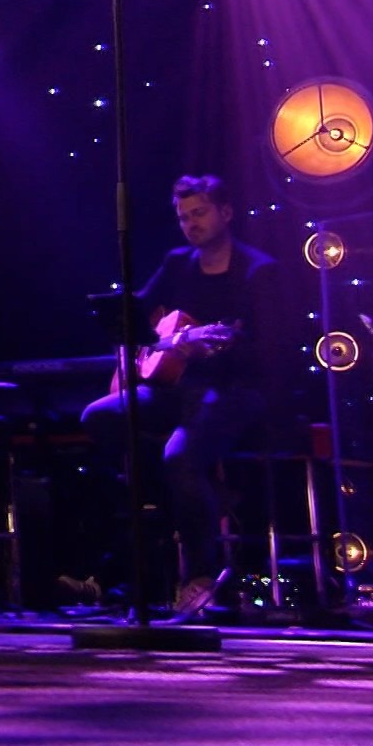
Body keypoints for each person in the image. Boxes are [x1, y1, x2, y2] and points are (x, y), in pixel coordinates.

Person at [80, 174, 282, 620]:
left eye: (200, 213)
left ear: (225, 213)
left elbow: (268, 351)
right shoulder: (177, 264)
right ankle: (190, 492)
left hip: (234, 390)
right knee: (98, 417)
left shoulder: (258, 271)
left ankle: (201, 577)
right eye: (184, 217)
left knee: (180, 456)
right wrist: (152, 347)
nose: (191, 223)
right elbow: (138, 320)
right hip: (177, 388)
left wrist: (212, 349)